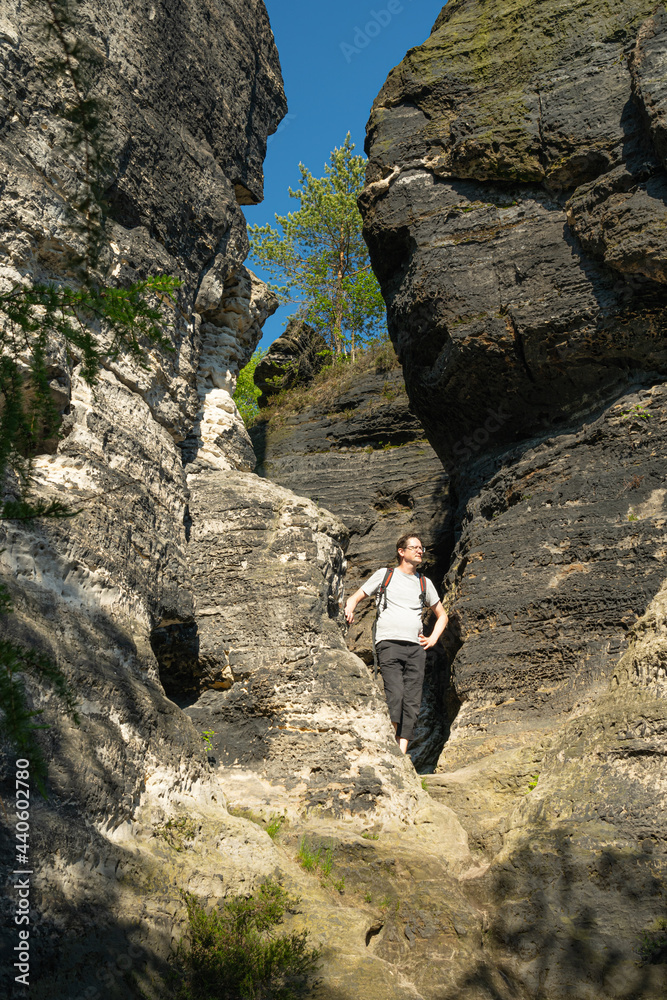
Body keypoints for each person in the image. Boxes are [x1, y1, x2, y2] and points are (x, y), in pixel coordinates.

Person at [344, 534, 448, 754]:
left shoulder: (424, 582)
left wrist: (433, 638)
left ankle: (401, 753)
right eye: (415, 547)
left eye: (422, 548)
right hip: (389, 643)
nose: (420, 551)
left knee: (412, 700)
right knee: (396, 694)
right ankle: (391, 746)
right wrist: (350, 607)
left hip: (416, 648)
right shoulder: (386, 575)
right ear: (402, 551)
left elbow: (442, 615)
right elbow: (357, 596)